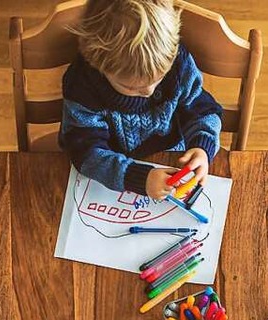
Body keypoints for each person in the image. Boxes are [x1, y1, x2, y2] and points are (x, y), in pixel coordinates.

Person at [58, 0, 223, 199]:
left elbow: (202, 110)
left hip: (172, 157)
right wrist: (136, 178)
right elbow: (85, 151)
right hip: (109, 173)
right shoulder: (82, 85)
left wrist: (202, 146)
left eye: (159, 79)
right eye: (131, 87)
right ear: (98, 63)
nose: (149, 92)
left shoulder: (179, 65)